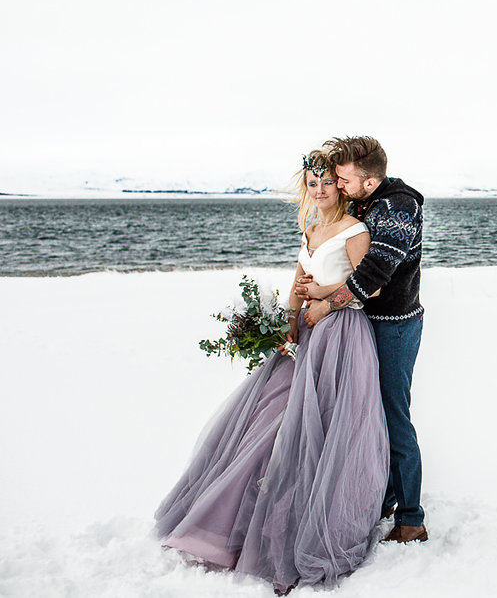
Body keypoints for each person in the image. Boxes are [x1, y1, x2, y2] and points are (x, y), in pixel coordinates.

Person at [154, 146, 389, 594]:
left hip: (341, 334)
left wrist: (321, 293)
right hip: (307, 331)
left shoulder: (354, 229)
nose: (319, 190)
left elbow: (367, 289)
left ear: (340, 186)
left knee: (328, 422)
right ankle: (243, 518)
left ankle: (318, 521)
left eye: (326, 182)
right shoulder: (311, 227)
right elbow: (296, 281)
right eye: (312, 183)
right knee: (271, 419)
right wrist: (288, 325)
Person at [302, 136, 427, 543]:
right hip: (360, 323)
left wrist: (324, 303)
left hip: (393, 325)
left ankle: (411, 519)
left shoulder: (398, 207)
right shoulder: (364, 202)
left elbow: (372, 275)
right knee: (366, 411)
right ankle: (385, 496)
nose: (337, 184)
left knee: (393, 416)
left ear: (369, 181)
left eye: (343, 178)